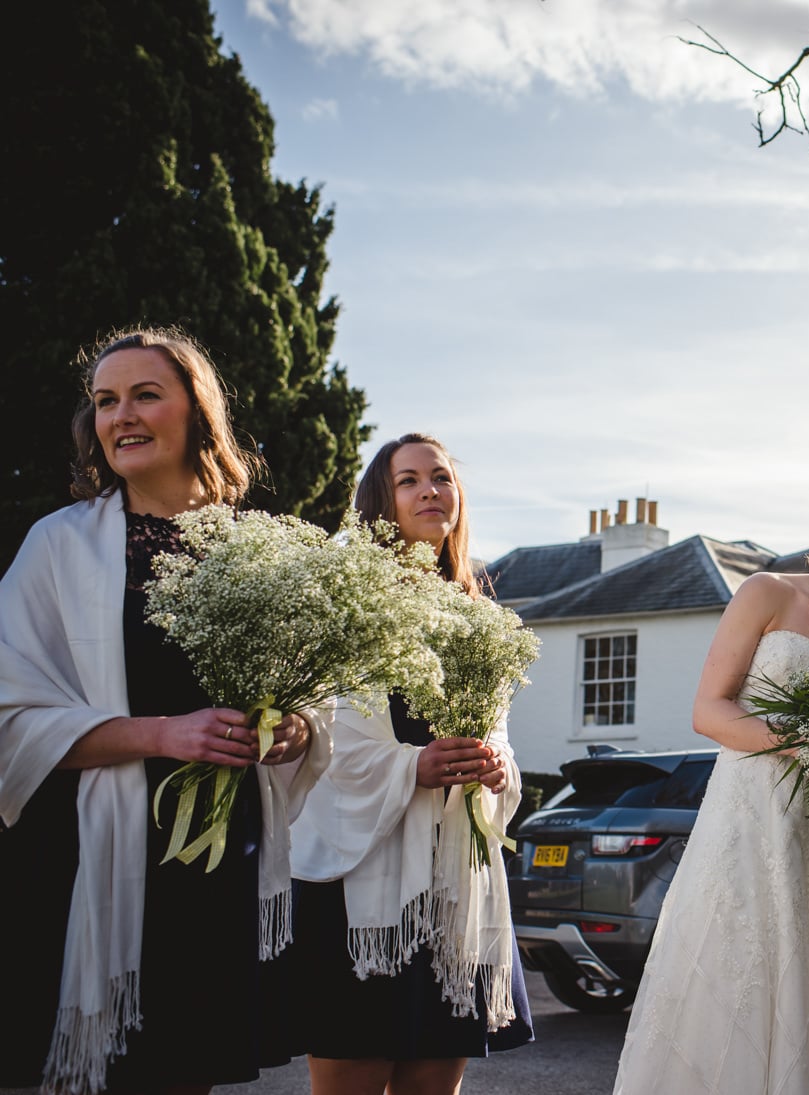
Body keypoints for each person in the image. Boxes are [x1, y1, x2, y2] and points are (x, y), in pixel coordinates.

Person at [0, 327, 327, 1094]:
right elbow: (10, 711)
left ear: (197, 413)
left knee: (184, 1072)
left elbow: (311, 700)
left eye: (146, 394)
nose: (122, 416)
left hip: (214, 859)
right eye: (106, 401)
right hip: (86, 849)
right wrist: (163, 734)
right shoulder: (57, 546)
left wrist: (294, 731)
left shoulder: (260, 549)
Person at [613, 479, 809, 1095]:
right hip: (750, 815)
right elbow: (708, 711)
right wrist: (804, 738)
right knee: (739, 970)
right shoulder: (768, 592)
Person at [286, 433, 533, 1095]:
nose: (430, 490)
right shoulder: (341, 601)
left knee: (433, 1083)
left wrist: (495, 767)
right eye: (409, 480)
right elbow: (314, 730)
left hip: (454, 883)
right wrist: (411, 766)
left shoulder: (475, 610)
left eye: (442, 477)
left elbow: (503, 735)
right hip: (360, 876)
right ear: (381, 501)